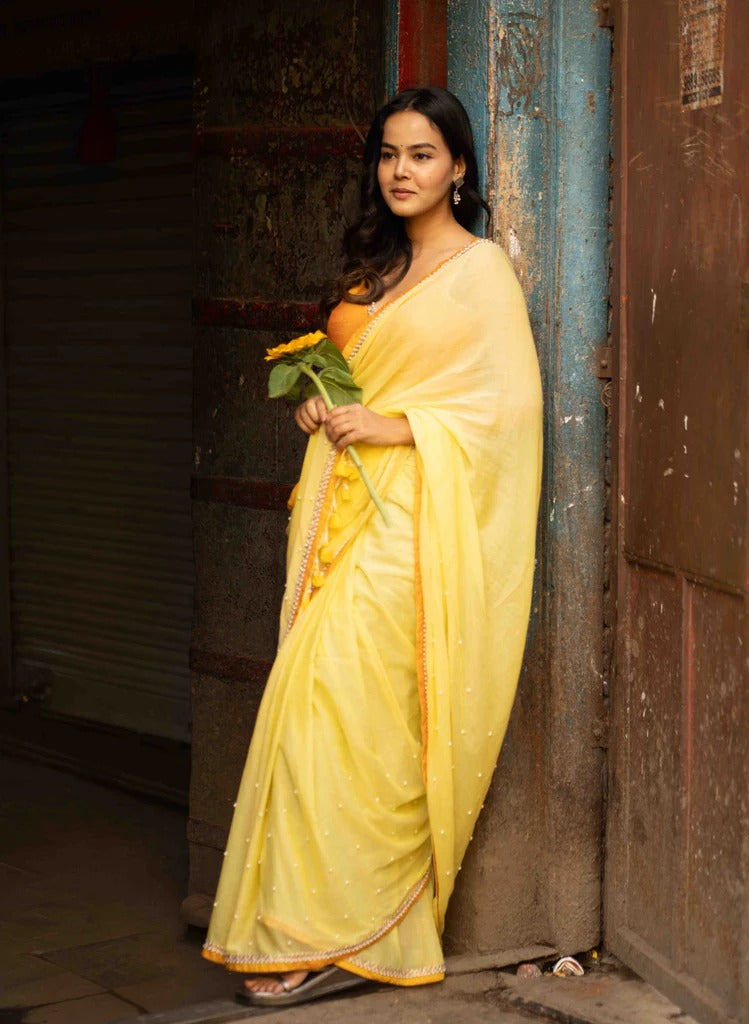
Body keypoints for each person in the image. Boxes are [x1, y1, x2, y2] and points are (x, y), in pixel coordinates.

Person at [202, 85, 543, 1008]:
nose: (401, 171)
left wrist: (397, 426)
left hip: (414, 527)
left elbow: (507, 416)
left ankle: (351, 925)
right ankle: (303, 925)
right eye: (390, 154)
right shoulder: (375, 271)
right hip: (340, 514)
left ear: (460, 168)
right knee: (313, 715)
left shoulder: (482, 275)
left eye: (423, 154)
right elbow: (346, 382)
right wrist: (318, 407)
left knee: (355, 719)